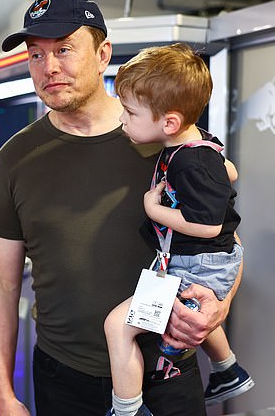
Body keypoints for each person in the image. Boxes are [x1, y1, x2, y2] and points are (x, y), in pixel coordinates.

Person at [0, 0, 242, 415]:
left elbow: (224, 239)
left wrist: (218, 306)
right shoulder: (15, 156)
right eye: (36, 55)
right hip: (64, 378)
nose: (49, 68)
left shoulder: (163, 138)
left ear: (103, 55)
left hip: (166, 371)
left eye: (64, 49)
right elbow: (0, 281)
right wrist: (1, 391)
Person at [103, 43, 253, 416]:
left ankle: (127, 410)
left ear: (169, 122)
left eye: (130, 112)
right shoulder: (196, 141)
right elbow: (229, 171)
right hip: (209, 261)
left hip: (198, 262)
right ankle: (227, 369)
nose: (122, 120)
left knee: (118, 326)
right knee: (189, 317)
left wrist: (153, 208)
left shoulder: (188, 161)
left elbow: (207, 225)